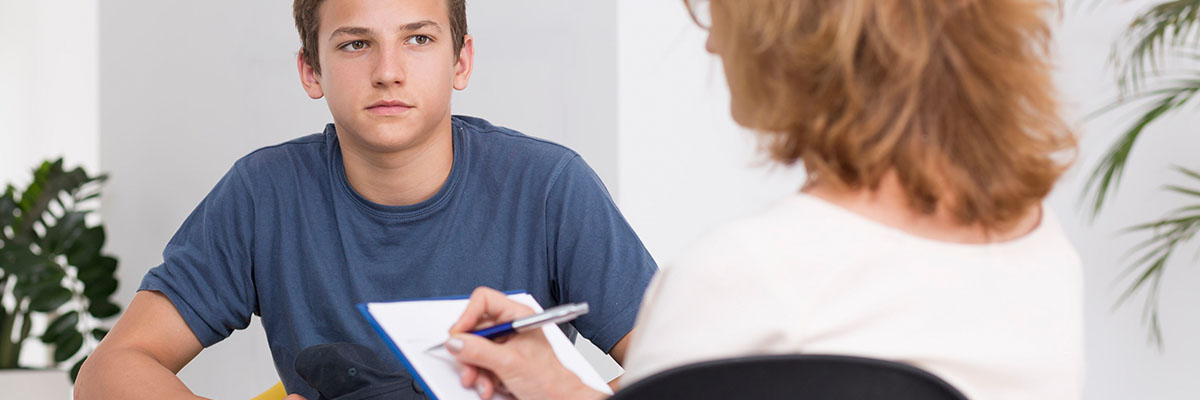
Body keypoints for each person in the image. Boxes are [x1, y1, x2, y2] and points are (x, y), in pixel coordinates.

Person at [443, 0, 1083, 398]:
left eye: (717, 9)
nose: (713, 41)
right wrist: (559, 386)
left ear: (793, 39)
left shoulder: (749, 274)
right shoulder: (1038, 244)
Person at [73, 0, 658, 398]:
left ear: (461, 61)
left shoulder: (550, 186)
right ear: (311, 70)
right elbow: (108, 372)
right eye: (355, 44)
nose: (388, 71)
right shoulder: (263, 193)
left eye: (419, 39)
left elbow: (681, 375)